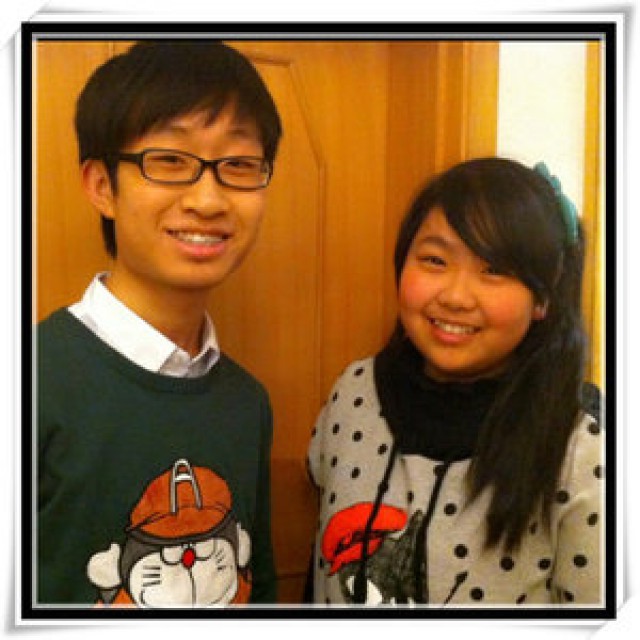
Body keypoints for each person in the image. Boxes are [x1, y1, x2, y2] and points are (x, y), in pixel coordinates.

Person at [36, 41, 282, 607]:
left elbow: (257, 587)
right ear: (102, 186)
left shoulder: (247, 402)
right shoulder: (32, 381)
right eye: (170, 160)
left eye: (238, 165)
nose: (208, 199)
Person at [307, 157, 604, 606]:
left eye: (494, 270)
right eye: (435, 260)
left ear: (542, 299)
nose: (456, 296)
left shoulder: (584, 448)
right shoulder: (354, 391)